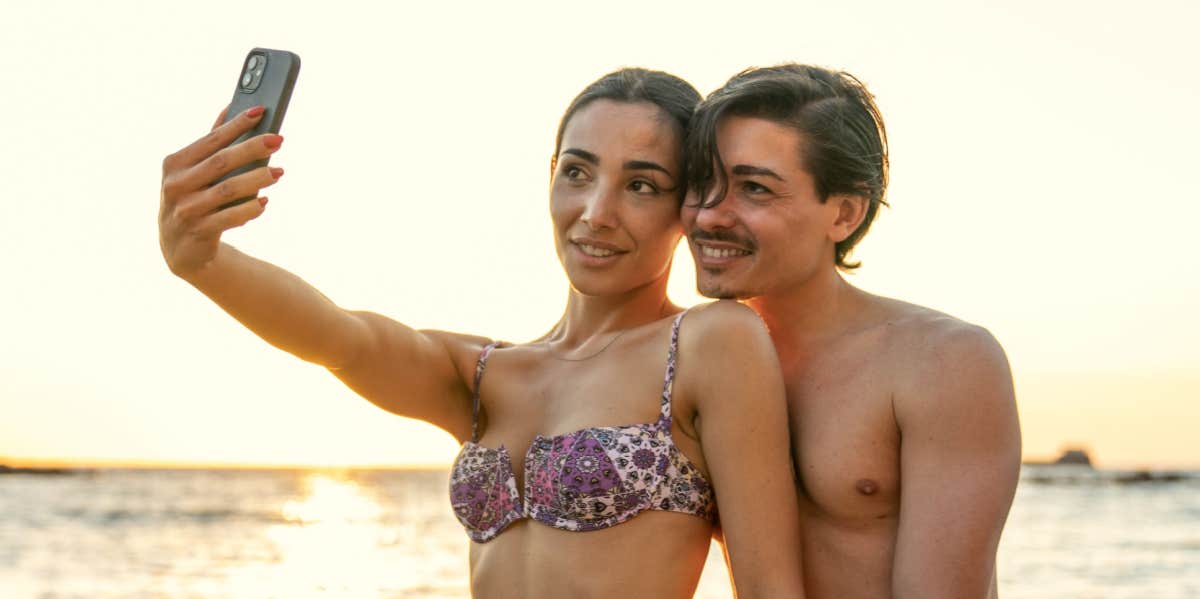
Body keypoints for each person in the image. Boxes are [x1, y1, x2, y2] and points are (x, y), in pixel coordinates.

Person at [158, 68, 805, 598]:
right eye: (577, 172)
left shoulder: (709, 342)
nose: (596, 213)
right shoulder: (481, 375)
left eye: (640, 185)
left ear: (686, 205)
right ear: (550, 174)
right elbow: (339, 336)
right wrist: (199, 260)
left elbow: (770, 586)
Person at [682, 64, 1022, 599]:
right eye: (701, 183)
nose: (709, 214)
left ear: (843, 213)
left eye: (753, 188)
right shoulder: (680, 360)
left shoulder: (942, 361)